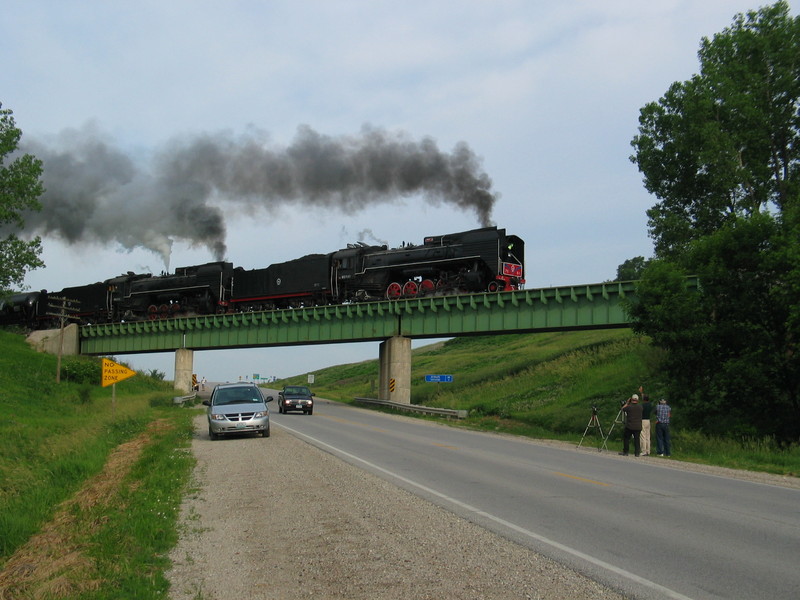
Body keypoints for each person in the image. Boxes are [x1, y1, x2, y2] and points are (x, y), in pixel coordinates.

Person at [639, 387, 652, 456]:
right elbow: (644, 398)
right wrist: (641, 392)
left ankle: (643, 450)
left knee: (643, 435)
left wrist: (641, 393)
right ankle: (648, 450)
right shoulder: (650, 405)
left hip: (643, 420)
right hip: (648, 420)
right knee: (648, 436)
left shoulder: (642, 405)